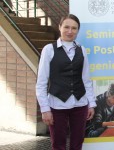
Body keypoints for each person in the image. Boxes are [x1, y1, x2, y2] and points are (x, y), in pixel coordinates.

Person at [36, 14, 96, 150]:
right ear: (60, 27)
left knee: (77, 143)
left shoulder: (82, 49)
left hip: (80, 104)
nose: (70, 31)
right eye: (66, 27)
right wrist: (45, 109)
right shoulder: (49, 49)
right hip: (57, 105)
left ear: (78, 31)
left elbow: (86, 79)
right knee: (58, 144)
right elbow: (41, 83)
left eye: (74, 28)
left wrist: (91, 104)